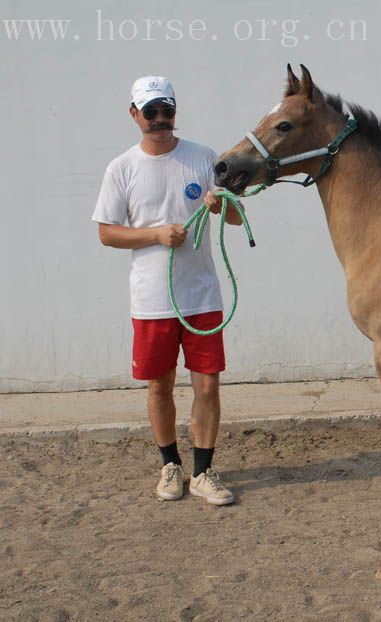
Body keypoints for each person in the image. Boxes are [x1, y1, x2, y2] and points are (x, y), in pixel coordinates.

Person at [93, 76, 241, 505]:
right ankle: (169, 465)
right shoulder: (122, 168)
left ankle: (203, 472)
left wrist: (223, 205)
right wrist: (155, 235)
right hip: (152, 300)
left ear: (176, 111)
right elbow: (106, 233)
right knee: (159, 387)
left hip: (202, 298)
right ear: (134, 113)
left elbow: (235, 216)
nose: (161, 120)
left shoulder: (203, 157)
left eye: (167, 110)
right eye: (151, 111)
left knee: (208, 387)